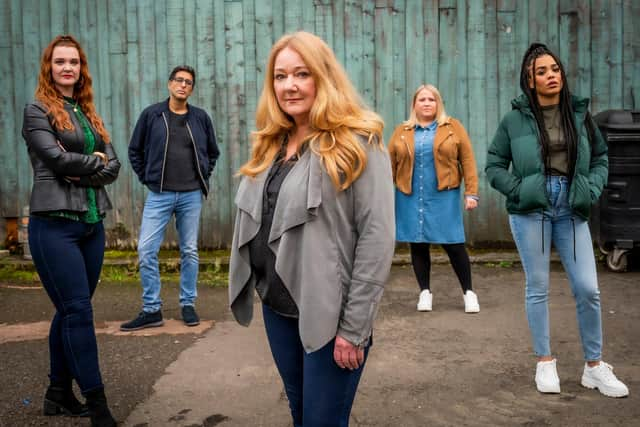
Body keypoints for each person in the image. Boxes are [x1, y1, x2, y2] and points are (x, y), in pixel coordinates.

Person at [228, 31, 395, 426]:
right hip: (278, 308)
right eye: (280, 76)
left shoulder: (357, 143)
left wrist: (354, 329)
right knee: (301, 415)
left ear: (324, 77)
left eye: (302, 74)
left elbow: (377, 238)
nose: (290, 86)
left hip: (329, 316)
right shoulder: (271, 144)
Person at [485, 42, 629, 397]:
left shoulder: (578, 114)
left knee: (588, 289)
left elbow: (600, 158)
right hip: (532, 209)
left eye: (555, 69)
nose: (551, 76)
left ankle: (593, 367)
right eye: (542, 72)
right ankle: (545, 361)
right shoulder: (515, 119)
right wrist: (520, 190)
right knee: (538, 288)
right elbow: (493, 166)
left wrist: (590, 189)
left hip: (571, 208)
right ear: (529, 80)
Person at [22, 35, 120, 426]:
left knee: (68, 311)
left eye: (74, 62)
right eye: (60, 61)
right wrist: (90, 164)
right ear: (49, 67)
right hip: (54, 227)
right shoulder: (36, 110)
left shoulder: (87, 112)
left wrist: (86, 166)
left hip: (91, 226)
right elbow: (55, 160)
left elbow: (113, 166)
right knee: (78, 311)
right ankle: (98, 405)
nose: (68, 67)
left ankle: (57, 392)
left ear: (81, 69)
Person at [121, 65, 220, 331]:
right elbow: (134, 151)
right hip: (159, 194)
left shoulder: (200, 118)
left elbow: (213, 152)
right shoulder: (152, 115)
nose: (183, 85)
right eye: (179, 80)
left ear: (192, 88)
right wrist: (147, 177)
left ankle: (188, 304)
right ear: (169, 84)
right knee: (146, 249)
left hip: (191, 195)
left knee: (189, 250)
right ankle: (152, 309)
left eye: (188, 82)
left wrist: (202, 177)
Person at [389, 84, 480, 313]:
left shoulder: (452, 127)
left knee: (454, 244)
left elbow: (467, 160)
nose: (427, 103)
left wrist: (471, 192)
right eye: (422, 99)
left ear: (438, 103)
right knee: (418, 244)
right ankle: (425, 293)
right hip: (409, 196)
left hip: (443, 195)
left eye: (432, 99)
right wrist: (379, 196)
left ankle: (469, 293)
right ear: (414, 104)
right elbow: (389, 164)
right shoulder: (402, 131)